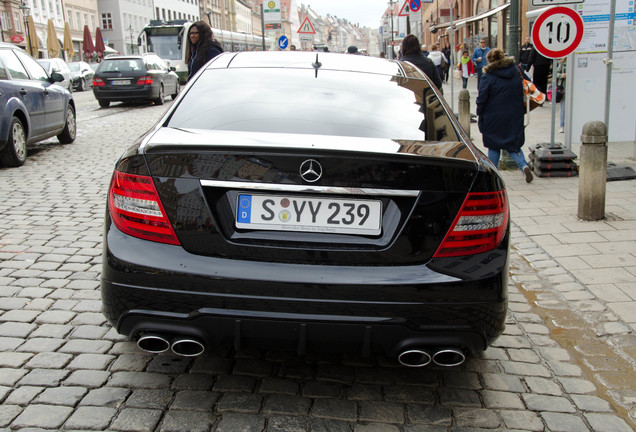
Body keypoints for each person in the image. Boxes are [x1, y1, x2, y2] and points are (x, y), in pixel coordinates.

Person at [476, 48, 533, 183]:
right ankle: (523, 165)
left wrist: (479, 111)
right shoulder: (516, 71)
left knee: (494, 144)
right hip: (514, 113)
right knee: (513, 143)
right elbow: (528, 83)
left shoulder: (487, 76)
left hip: (493, 116)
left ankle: (493, 174)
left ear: (489, 61)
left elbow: (482, 97)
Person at [556, 57, 567, 133]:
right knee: (563, 108)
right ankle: (562, 125)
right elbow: (556, 73)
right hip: (563, 88)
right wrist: (561, 75)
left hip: (573, 88)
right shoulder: (563, 63)